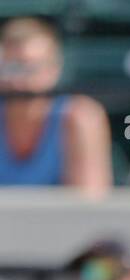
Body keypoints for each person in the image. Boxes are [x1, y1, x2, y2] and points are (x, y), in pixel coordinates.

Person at [0, 17, 111, 191]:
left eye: (29, 67)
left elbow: (91, 205)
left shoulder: (82, 117)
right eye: (10, 67)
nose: (17, 80)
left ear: (54, 69)